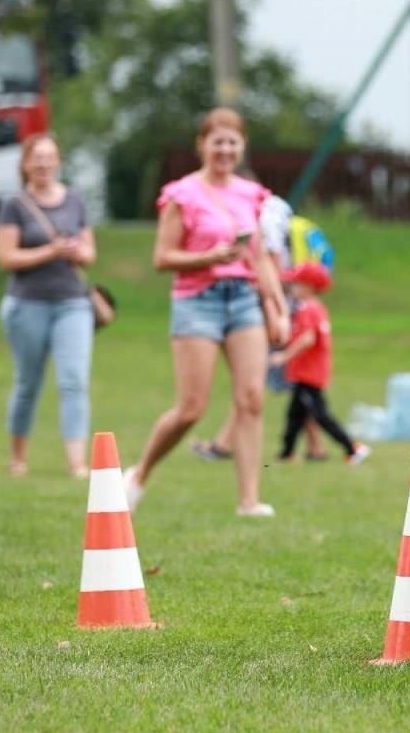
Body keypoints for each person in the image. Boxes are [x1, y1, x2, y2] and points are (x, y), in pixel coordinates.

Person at [123, 107, 289, 517]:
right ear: (202, 145)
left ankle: (249, 500)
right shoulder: (182, 194)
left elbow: (262, 256)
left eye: (233, 142)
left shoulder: (253, 194)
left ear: (242, 147)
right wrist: (210, 256)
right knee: (191, 409)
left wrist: (278, 307)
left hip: (245, 298)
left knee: (251, 398)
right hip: (198, 300)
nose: (225, 149)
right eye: (218, 142)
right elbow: (163, 257)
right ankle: (139, 475)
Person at [190, 186, 325, 462]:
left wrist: (273, 308)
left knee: (253, 381)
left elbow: (270, 261)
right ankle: (315, 446)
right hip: (278, 301)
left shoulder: (261, 213)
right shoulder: (276, 208)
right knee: (295, 383)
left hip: (265, 302)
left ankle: (224, 444)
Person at [0, 133, 97, 479]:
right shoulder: (14, 205)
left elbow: (90, 253)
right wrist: (50, 252)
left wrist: (76, 251)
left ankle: (76, 463)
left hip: (73, 303)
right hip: (27, 305)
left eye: (50, 158)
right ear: (25, 164)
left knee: (74, 381)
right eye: (36, 158)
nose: (43, 164)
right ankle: (18, 457)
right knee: (28, 382)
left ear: (59, 163)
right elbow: (6, 258)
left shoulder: (76, 201)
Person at [272, 261, 370, 466]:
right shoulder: (316, 309)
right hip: (304, 374)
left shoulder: (309, 310)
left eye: (296, 284)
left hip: (309, 375)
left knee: (321, 416)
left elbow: (308, 339)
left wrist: (284, 356)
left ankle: (352, 448)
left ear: (309, 287)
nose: (292, 288)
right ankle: (286, 454)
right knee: (295, 416)